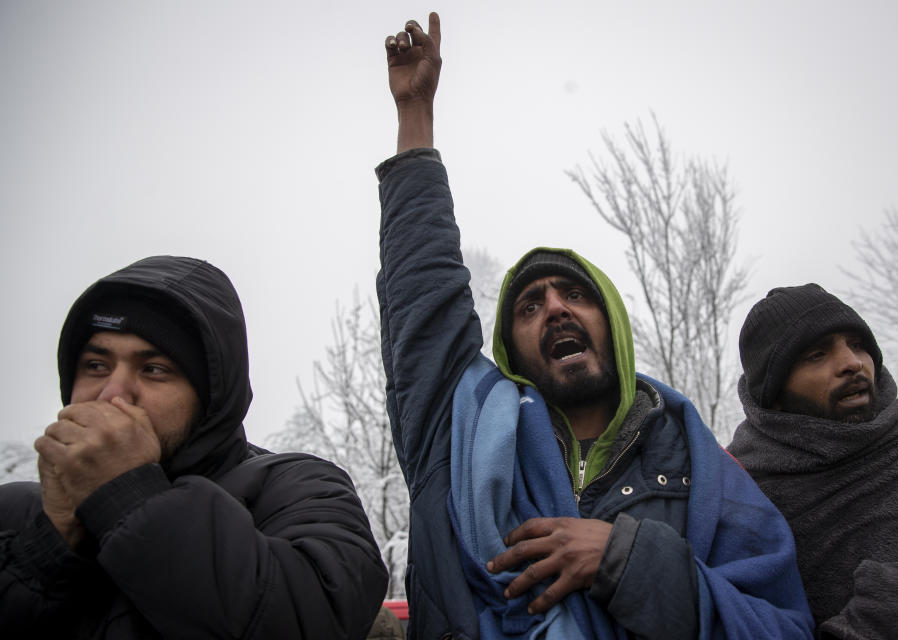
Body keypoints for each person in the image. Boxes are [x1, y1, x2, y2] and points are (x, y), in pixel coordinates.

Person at [377, 13, 813, 639]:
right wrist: (414, 114)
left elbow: (782, 628)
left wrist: (627, 561)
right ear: (511, 353)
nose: (555, 308)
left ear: (612, 324)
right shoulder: (457, 440)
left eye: (576, 294)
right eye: (528, 306)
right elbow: (422, 299)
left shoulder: (703, 468)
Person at [0, 256, 388, 639]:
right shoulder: (14, 512)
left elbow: (317, 618)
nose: (112, 394)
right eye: (96, 365)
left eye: (153, 369)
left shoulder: (297, 488)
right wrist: (51, 546)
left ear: (211, 398)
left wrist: (128, 497)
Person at [728, 283, 898, 639]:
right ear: (773, 395)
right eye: (817, 354)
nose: (852, 363)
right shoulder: (744, 501)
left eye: (857, 345)